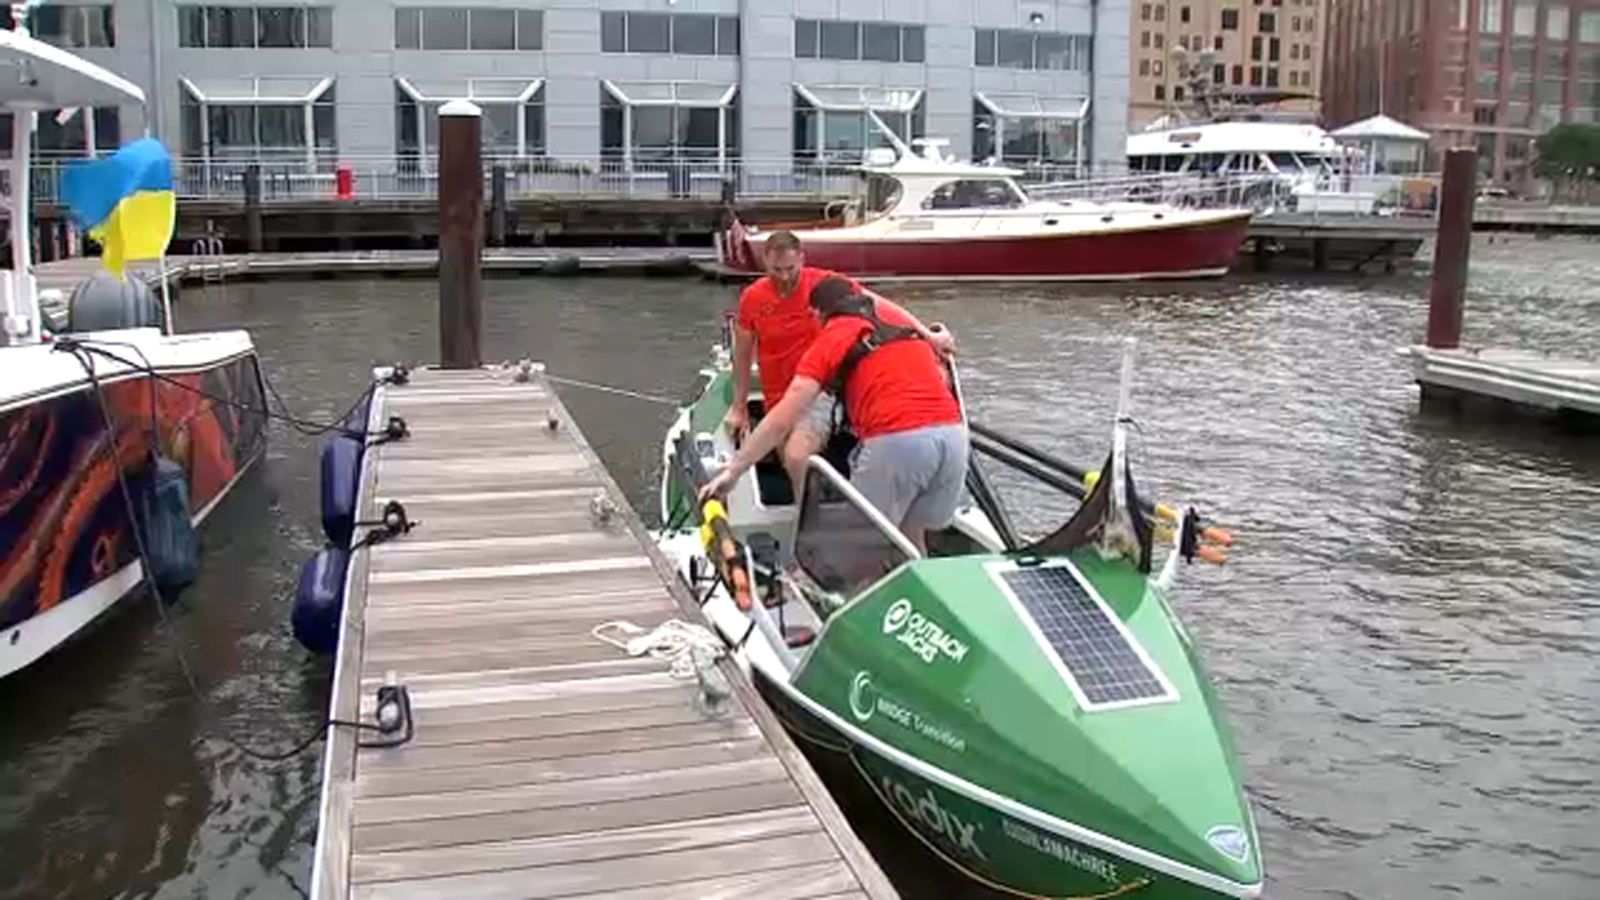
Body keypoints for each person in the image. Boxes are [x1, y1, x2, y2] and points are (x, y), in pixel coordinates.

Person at [703, 276, 968, 554]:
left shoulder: (833, 337)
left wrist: (734, 471)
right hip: (953, 439)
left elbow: (782, 418)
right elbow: (941, 377)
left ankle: (814, 574)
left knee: (856, 547)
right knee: (911, 532)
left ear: (817, 314)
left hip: (898, 441)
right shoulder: (902, 325)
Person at [726, 230, 954, 496]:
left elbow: (878, 304)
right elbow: (742, 354)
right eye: (777, 270)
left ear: (801, 259)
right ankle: (806, 503)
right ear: (765, 261)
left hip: (821, 388)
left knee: (797, 454)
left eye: (790, 269)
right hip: (779, 392)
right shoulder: (752, 298)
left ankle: (820, 506)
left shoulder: (825, 285)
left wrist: (927, 335)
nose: (785, 277)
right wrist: (739, 407)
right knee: (787, 456)